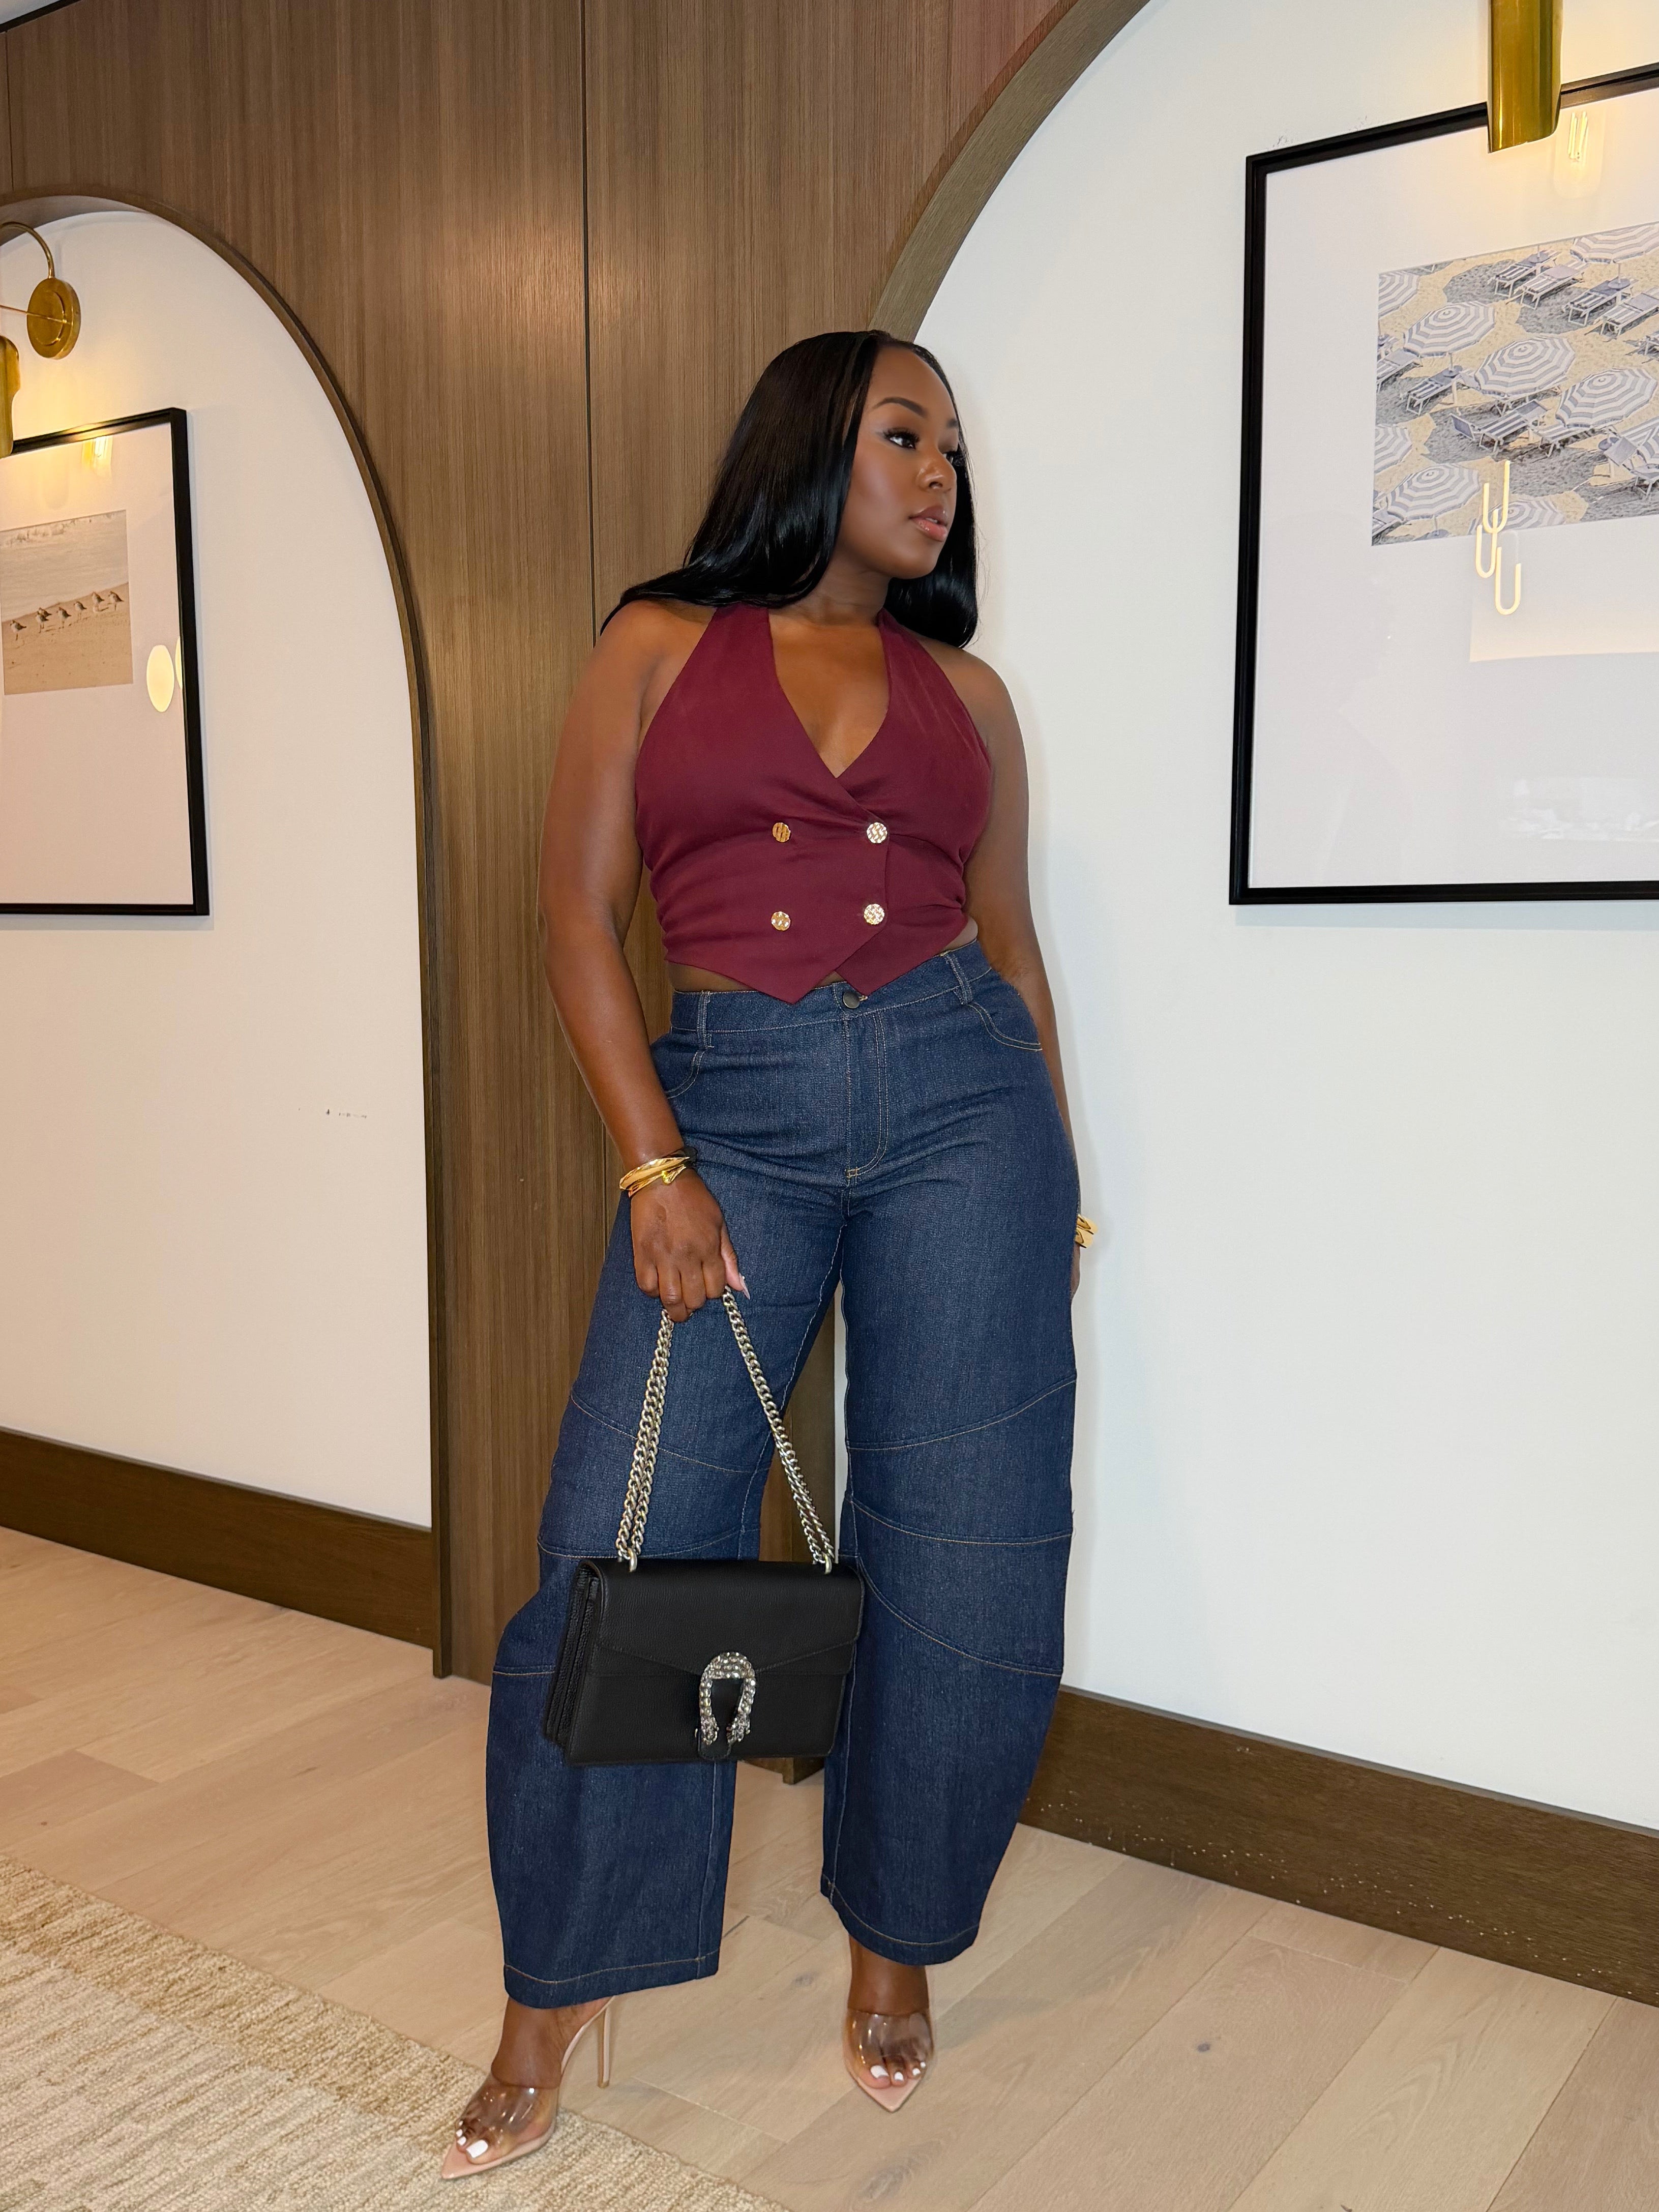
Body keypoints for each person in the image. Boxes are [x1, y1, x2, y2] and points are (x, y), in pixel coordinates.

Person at [443, 329, 1085, 2179]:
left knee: (971, 1548)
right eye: (906, 433)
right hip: (732, 1106)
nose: (940, 469)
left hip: (973, 1111)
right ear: (816, 444)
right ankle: (551, 1990)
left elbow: (1018, 955)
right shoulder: (651, 645)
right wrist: (654, 1165)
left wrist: (1066, 1189)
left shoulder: (971, 694)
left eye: (955, 444)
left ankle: (895, 1946)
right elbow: (574, 915)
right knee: (622, 1546)